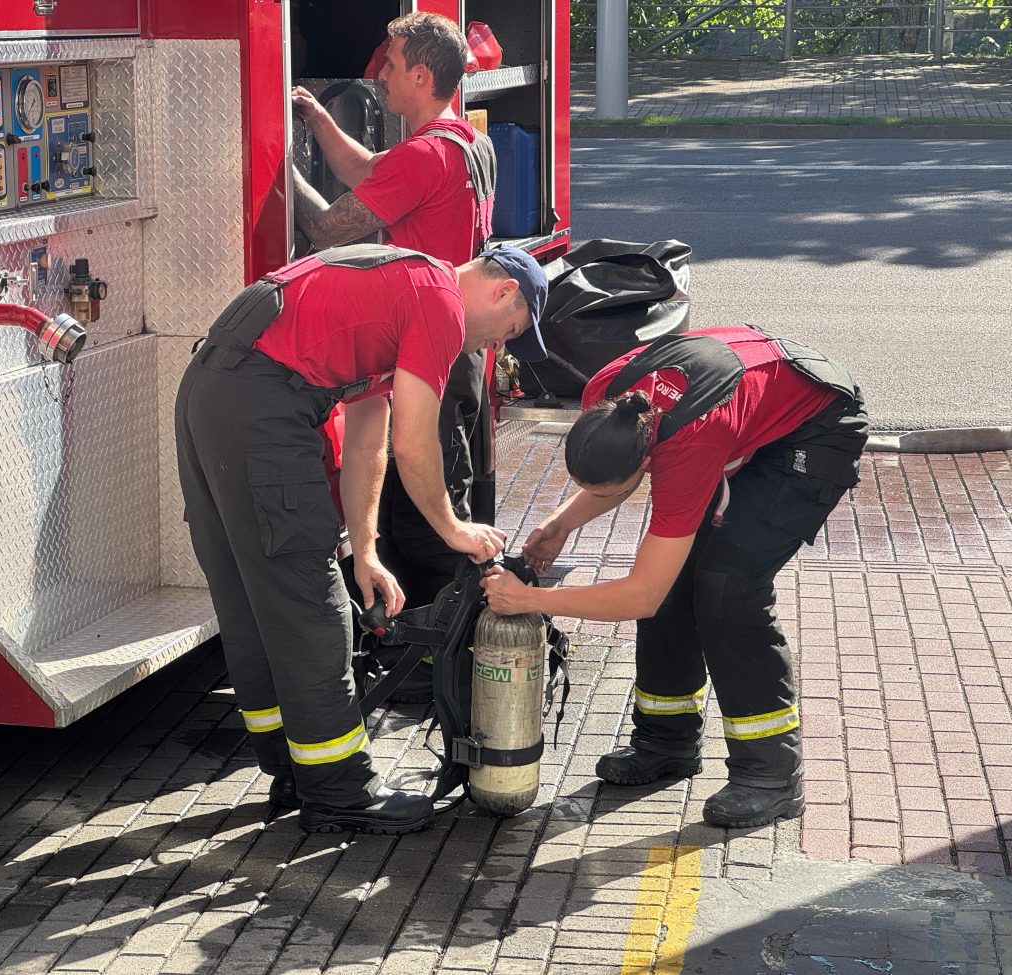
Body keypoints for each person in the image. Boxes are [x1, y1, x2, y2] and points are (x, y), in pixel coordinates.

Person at [175, 243, 547, 835]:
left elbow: (370, 438)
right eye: (511, 329)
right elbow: (416, 443)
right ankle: (340, 790)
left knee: (257, 600)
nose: (492, 347)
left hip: (214, 390)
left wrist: (367, 551)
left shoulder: (399, 290)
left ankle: (292, 767)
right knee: (311, 605)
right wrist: (454, 529)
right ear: (504, 292)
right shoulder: (440, 303)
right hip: (262, 401)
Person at [479, 326, 868, 828]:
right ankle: (665, 742)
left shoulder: (687, 444)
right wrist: (558, 525)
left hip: (816, 426)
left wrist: (531, 599)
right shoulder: (608, 394)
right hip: (746, 405)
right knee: (678, 577)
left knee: (728, 589)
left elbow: (641, 595)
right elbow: (615, 489)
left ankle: (771, 776)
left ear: (648, 460)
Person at [291, 13, 500, 664]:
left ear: (420, 76)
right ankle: (449, 649)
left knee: (422, 508)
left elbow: (330, 230)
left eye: (390, 64)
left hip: (425, 348)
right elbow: (373, 174)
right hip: (457, 347)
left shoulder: (425, 154)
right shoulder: (463, 142)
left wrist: (274, 163)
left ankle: (442, 660)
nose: (378, 72)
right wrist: (320, 123)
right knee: (450, 490)